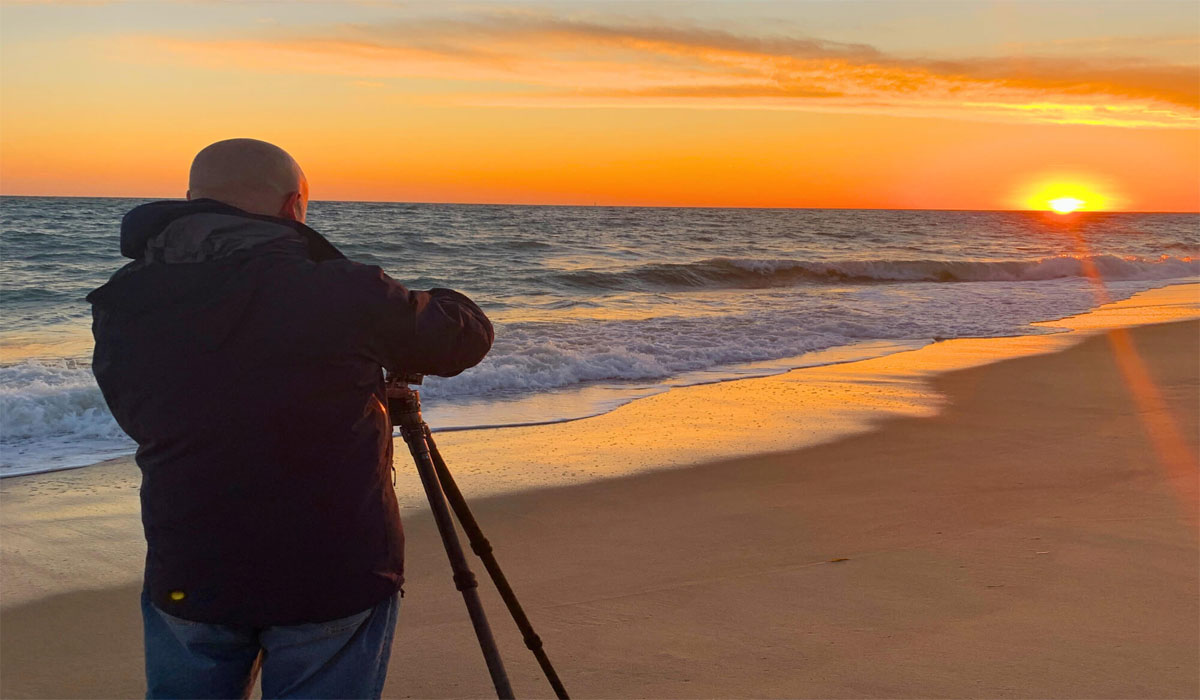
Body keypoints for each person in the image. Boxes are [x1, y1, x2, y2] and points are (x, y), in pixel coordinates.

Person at [87, 138, 494, 699]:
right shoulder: (343, 290)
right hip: (334, 567)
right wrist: (440, 297)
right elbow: (460, 341)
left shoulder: (123, 299)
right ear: (292, 206)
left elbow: (138, 412)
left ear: (190, 200)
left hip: (191, 562)